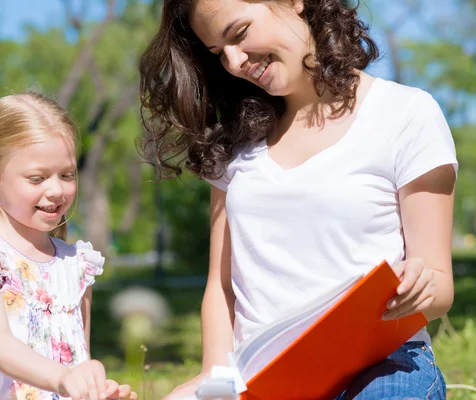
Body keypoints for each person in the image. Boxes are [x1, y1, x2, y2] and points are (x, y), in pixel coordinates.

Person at [138, 0, 457, 398]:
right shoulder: (236, 146)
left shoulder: (405, 114)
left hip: (383, 365)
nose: (235, 62)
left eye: (239, 34)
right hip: (267, 379)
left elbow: (440, 287)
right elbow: (222, 286)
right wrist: (213, 378)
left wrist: (422, 286)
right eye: (218, 53)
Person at [0, 92, 137, 400]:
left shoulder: (77, 266)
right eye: (37, 178)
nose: (56, 190)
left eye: (67, 175)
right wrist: (63, 379)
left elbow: (78, 360)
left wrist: (93, 391)